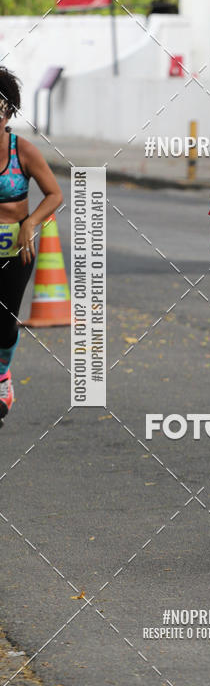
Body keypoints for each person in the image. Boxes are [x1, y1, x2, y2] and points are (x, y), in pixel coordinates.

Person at [0, 67, 63, 422]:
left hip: (14, 252)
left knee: (5, 323)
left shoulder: (22, 150)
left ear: (8, 110)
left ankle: (2, 377)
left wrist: (31, 222)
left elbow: (54, 194)